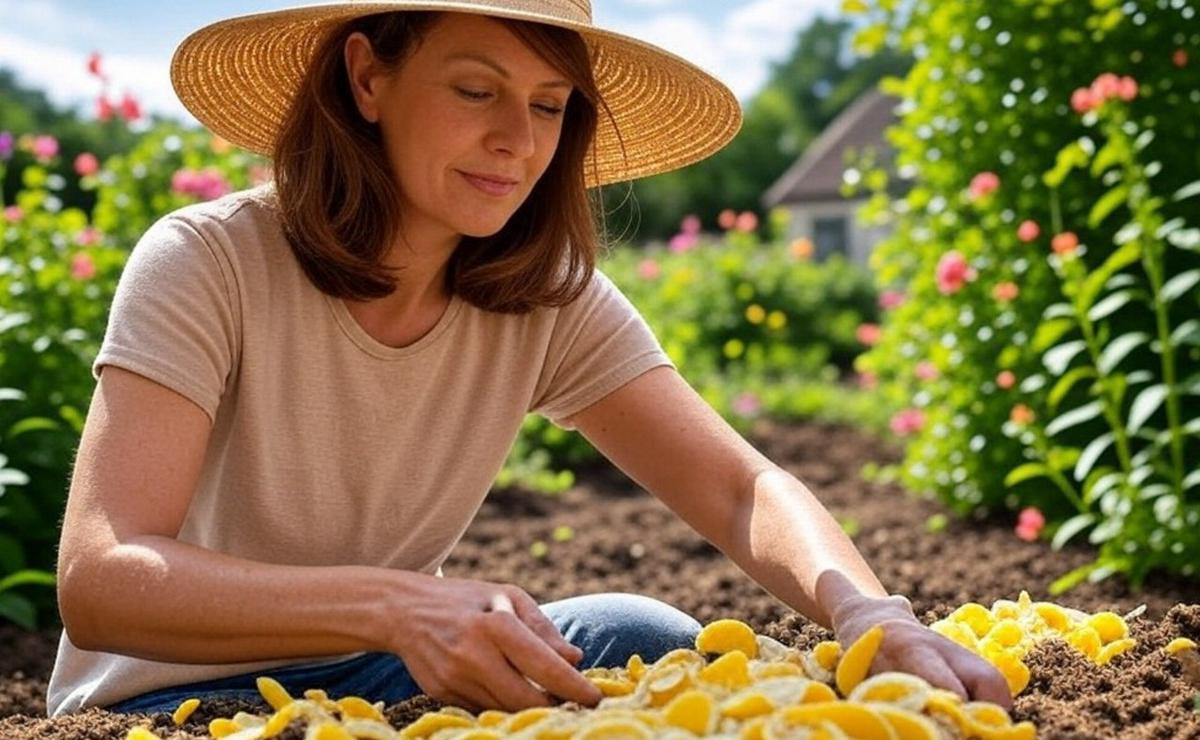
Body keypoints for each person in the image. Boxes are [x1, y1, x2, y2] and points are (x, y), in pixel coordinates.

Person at [46, 0, 1012, 719]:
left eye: (549, 107)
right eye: (477, 90)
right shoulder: (207, 262)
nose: (518, 141)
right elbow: (101, 580)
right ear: (367, 77)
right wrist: (398, 606)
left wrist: (868, 613)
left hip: (372, 682)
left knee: (647, 639)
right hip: (162, 710)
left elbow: (737, 490)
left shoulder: (541, 296)